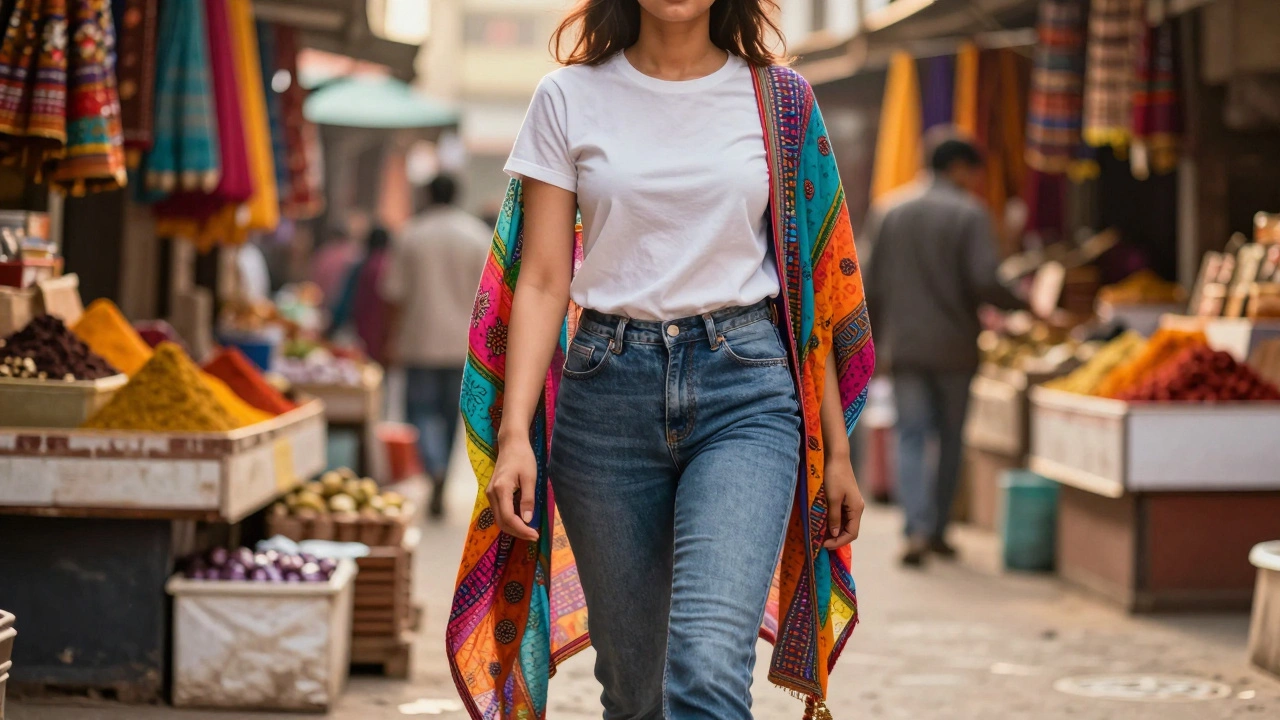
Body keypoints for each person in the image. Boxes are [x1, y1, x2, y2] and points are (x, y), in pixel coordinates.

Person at [446, 2, 877, 719]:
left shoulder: (783, 101)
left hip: (748, 393)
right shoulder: (567, 97)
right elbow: (546, 280)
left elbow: (813, 293)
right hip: (604, 397)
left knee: (707, 672)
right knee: (637, 691)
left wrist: (836, 450)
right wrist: (517, 433)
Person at [863, 134, 1026, 568]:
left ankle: (914, 529)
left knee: (911, 436)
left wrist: (871, 347)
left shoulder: (889, 210)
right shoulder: (969, 214)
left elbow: (870, 285)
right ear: (958, 167)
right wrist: (1026, 304)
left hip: (906, 349)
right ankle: (937, 532)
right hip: (955, 348)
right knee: (950, 438)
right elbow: (984, 280)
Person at [380, 175, 491, 518]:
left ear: (428, 194)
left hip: (419, 340)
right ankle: (440, 467)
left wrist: (391, 338)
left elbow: (394, 295)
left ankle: (434, 465)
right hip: (464, 346)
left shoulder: (411, 234)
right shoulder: (477, 235)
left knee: (421, 413)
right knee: (450, 414)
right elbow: (491, 296)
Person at [329, 226, 393, 366]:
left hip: (362, 332)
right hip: (383, 333)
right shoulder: (389, 267)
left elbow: (346, 300)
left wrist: (334, 325)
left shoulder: (362, 267)